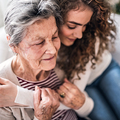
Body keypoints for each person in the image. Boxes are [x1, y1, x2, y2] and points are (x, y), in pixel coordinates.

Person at [0, 0, 120, 120]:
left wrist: (18, 95)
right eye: (71, 26)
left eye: (85, 26)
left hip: (102, 71)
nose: (80, 35)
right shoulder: (19, 33)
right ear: (58, 19)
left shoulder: (88, 40)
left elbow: (72, 97)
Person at [0, 0, 83, 119]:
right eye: (39, 42)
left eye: (54, 36)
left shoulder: (63, 60)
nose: (53, 50)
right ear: (14, 45)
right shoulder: (2, 88)